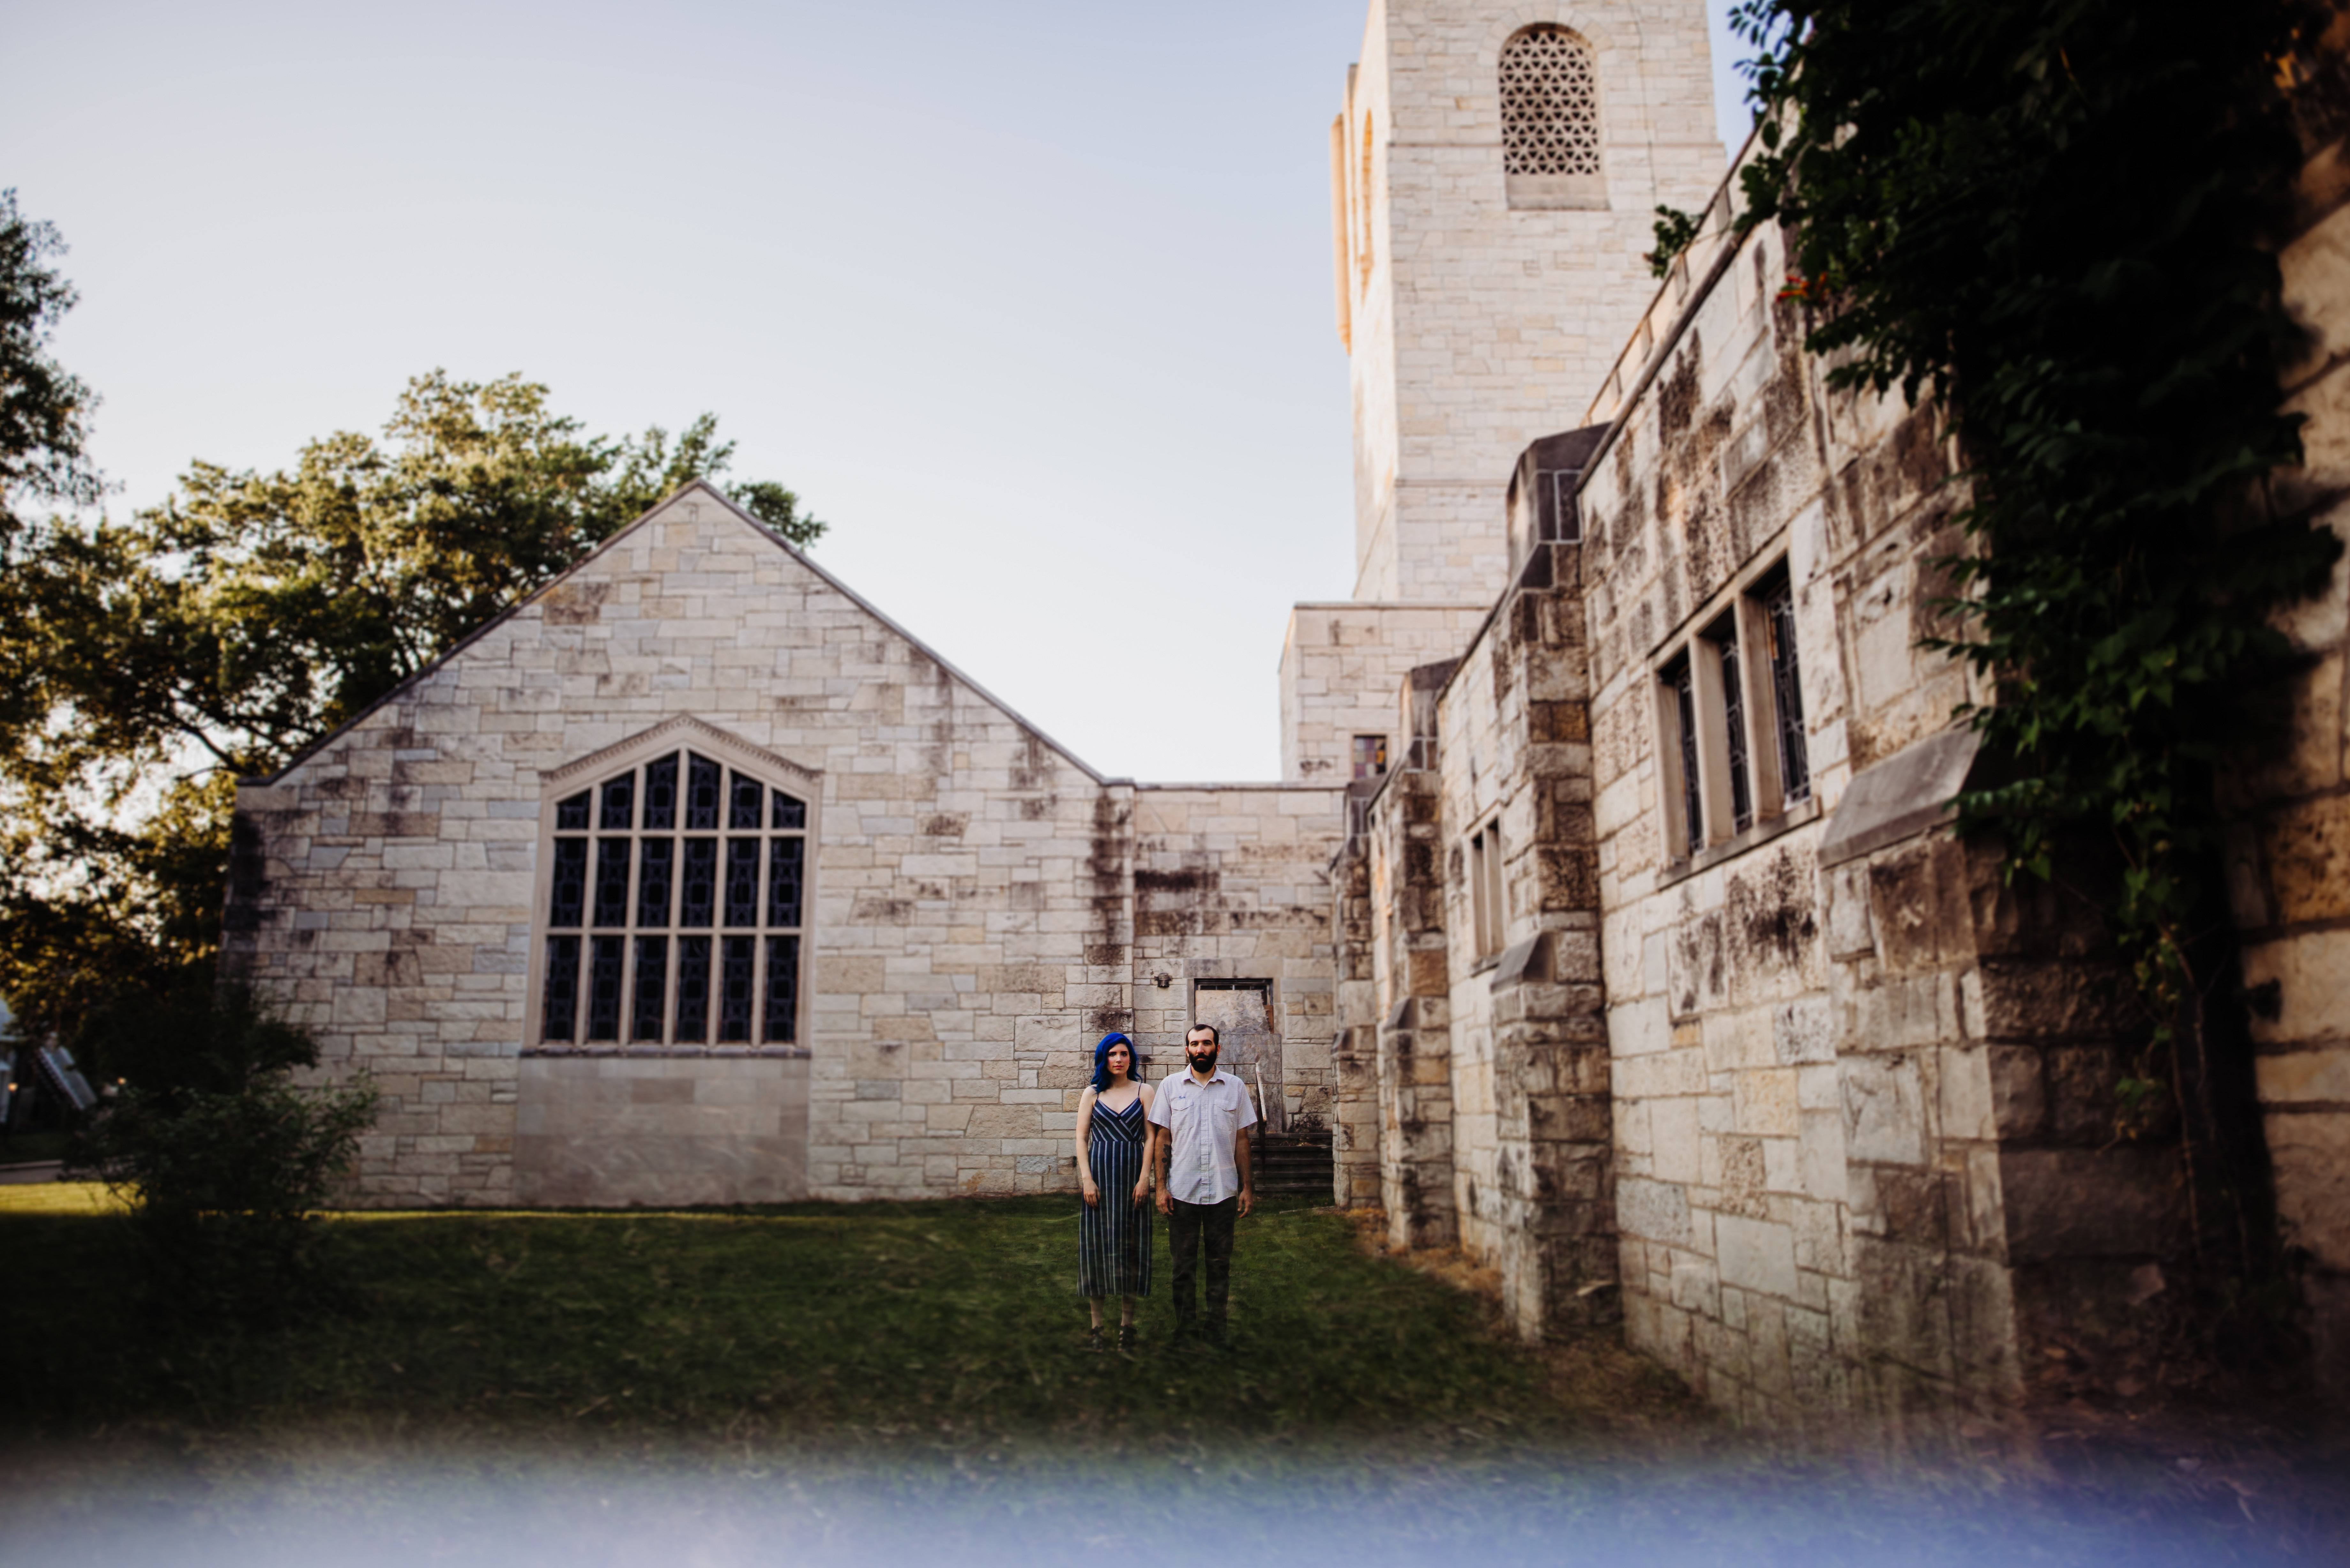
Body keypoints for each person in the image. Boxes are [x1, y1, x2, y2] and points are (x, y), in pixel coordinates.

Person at [1149, 1022, 1255, 1346]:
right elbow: (1162, 1138)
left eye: (1206, 1043)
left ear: (1217, 1049)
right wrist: (1161, 1187)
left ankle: (1216, 1332)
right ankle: (1184, 1331)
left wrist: (1247, 1187)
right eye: (1194, 1044)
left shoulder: (1235, 1087)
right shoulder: (1169, 1087)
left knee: (1219, 1266)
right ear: (1187, 1050)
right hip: (1182, 1192)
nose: (1200, 1049)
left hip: (1222, 1192)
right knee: (1183, 1268)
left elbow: (1242, 1139)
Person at [1074, 1031, 1155, 1351]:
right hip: (1100, 1179)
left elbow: (1151, 1137)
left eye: (1123, 1053)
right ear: (1103, 1059)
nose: (1118, 1059)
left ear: (1130, 1058)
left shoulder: (1144, 1091)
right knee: (1096, 1250)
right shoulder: (1092, 1093)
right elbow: (1082, 1138)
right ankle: (1097, 1329)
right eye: (1112, 1054)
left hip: (1131, 1179)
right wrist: (1086, 1179)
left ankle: (1127, 1328)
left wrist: (1143, 1179)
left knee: (1130, 1250)